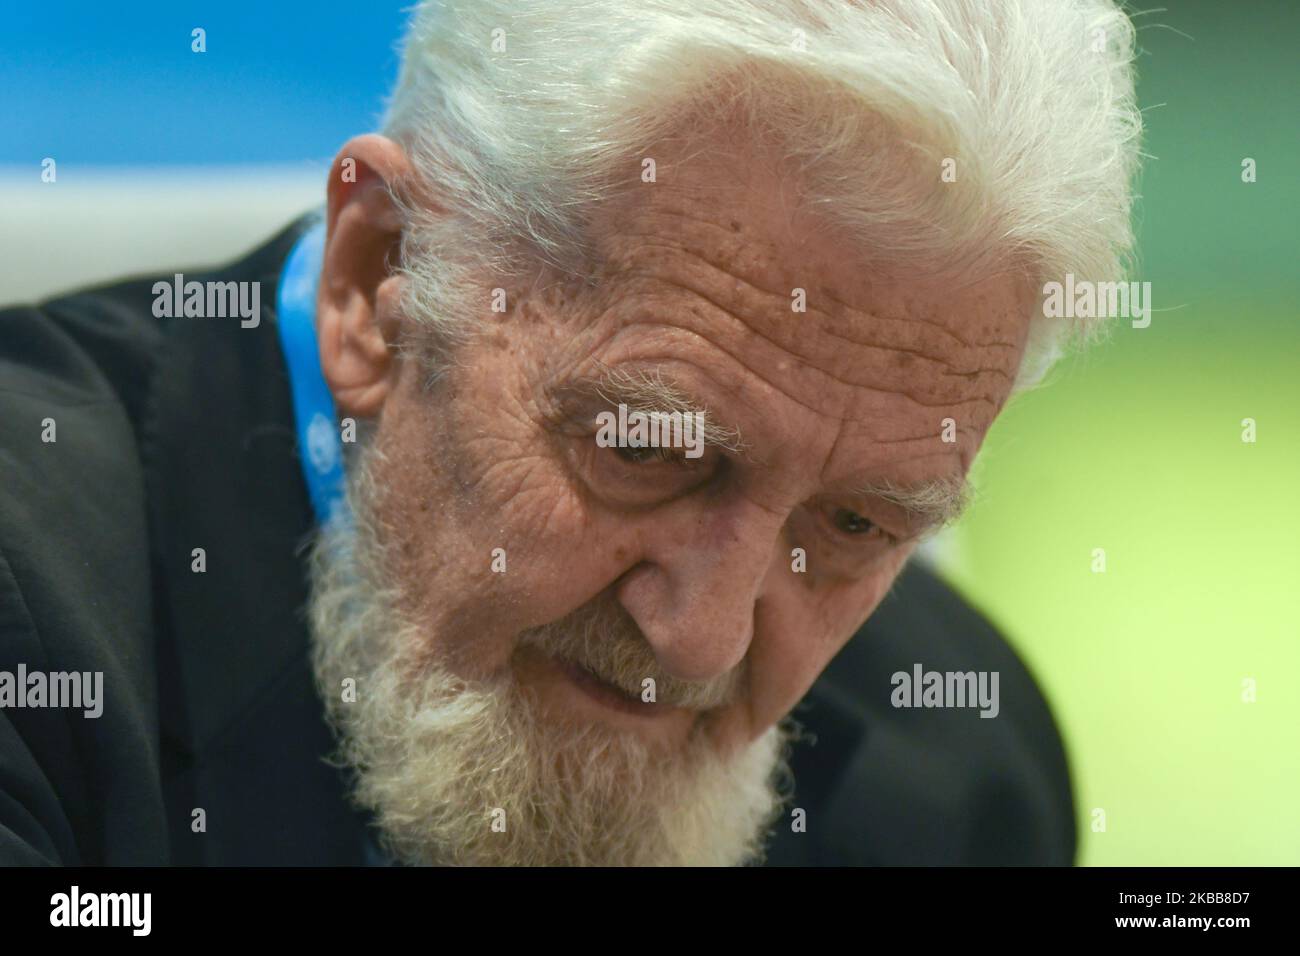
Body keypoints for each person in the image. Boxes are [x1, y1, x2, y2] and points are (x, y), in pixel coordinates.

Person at [0, 0, 1140, 865]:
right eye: (647, 448)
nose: (703, 639)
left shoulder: (958, 784)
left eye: (853, 523)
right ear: (380, 274)